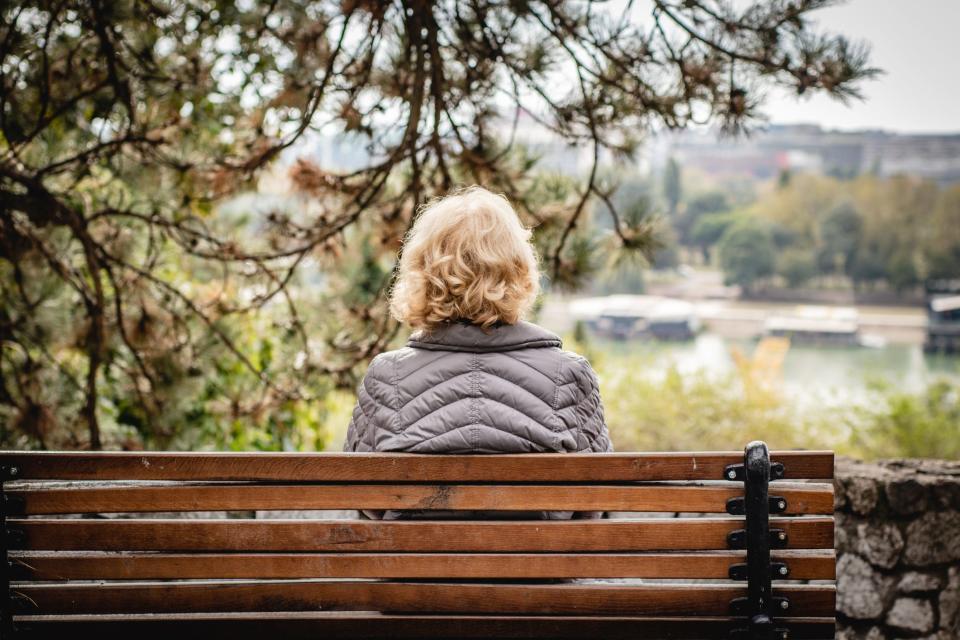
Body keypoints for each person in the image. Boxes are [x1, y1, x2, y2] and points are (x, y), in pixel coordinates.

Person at [344, 185, 612, 519]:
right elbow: (595, 504)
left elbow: (365, 502)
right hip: (538, 569)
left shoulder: (387, 376)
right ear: (518, 270)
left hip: (414, 570)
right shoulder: (570, 375)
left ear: (423, 273)